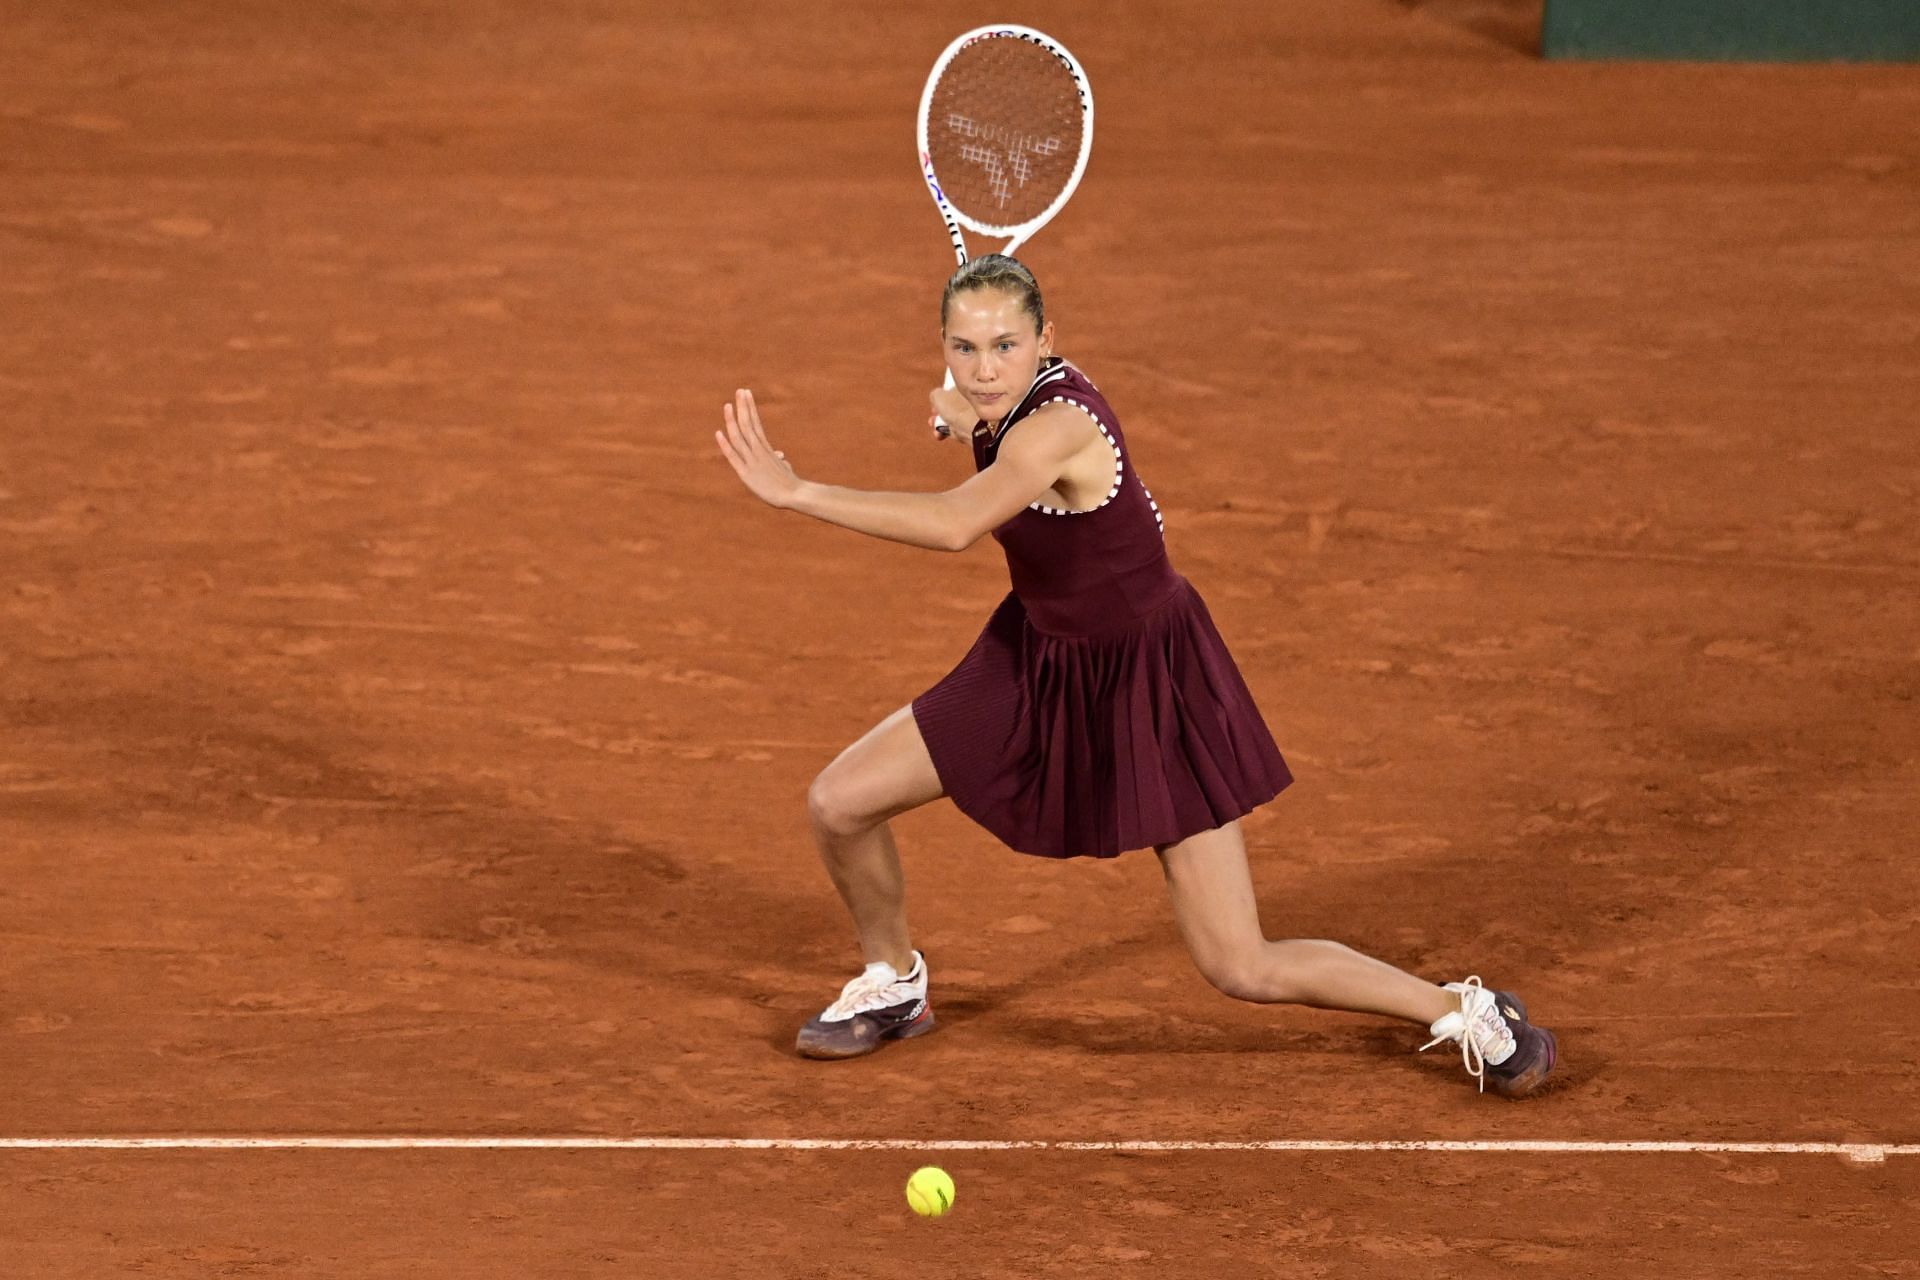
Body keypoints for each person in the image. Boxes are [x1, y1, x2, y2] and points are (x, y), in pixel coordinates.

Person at [713, 254, 1556, 1097]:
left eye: (1006, 345)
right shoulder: (997, 408)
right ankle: (894, 979)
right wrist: (964, 415)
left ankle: (1458, 1008)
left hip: (1149, 685)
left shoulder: (1059, 426)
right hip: (1036, 659)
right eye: (964, 349)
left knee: (1239, 962)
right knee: (839, 803)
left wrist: (796, 493)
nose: (984, 369)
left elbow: (956, 523)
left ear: (1049, 340)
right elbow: (985, 427)